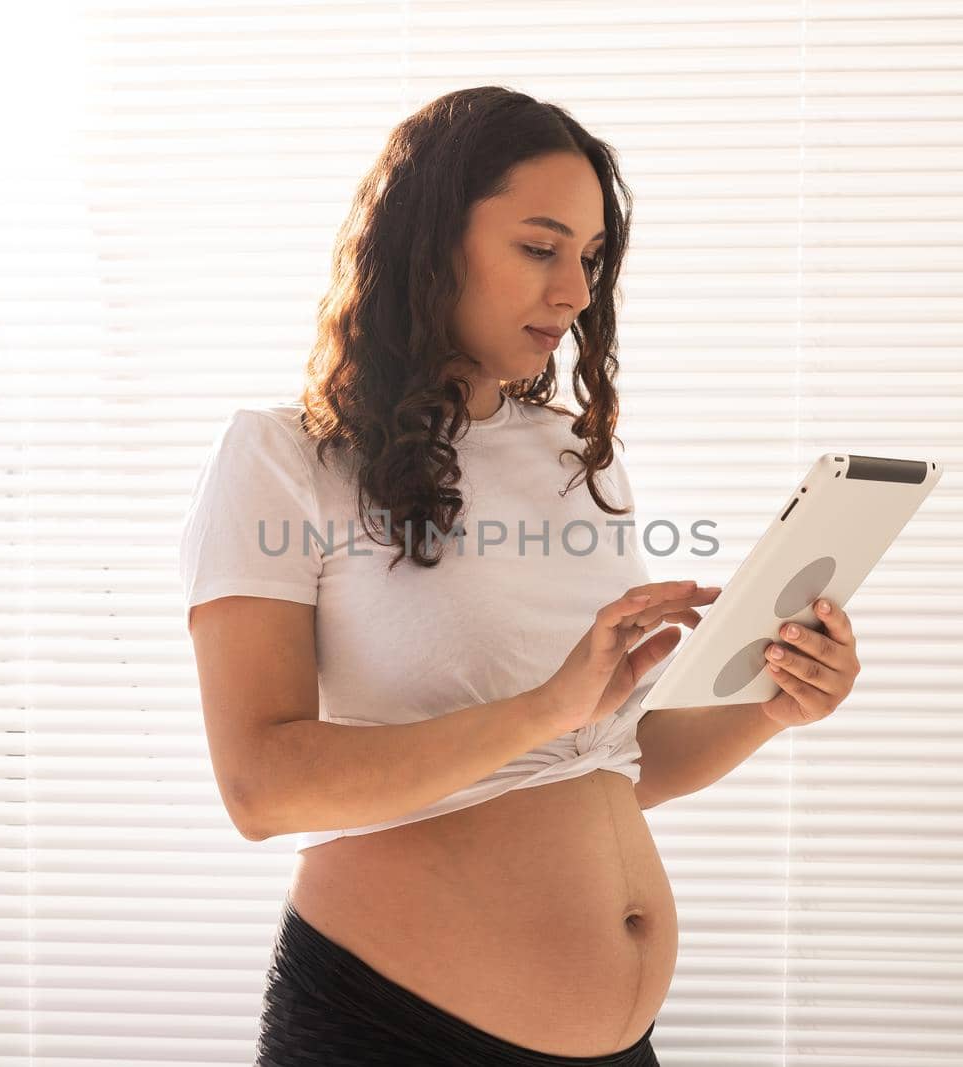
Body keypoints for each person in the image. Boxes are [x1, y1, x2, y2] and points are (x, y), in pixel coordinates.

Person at [181, 86, 719, 1067]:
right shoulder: (284, 458)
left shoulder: (575, 456)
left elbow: (608, 764)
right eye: (539, 246)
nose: (575, 292)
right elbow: (259, 786)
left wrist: (776, 704)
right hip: (390, 1026)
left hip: (620, 1043)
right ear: (431, 242)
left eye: (591, 258)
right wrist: (545, 704)